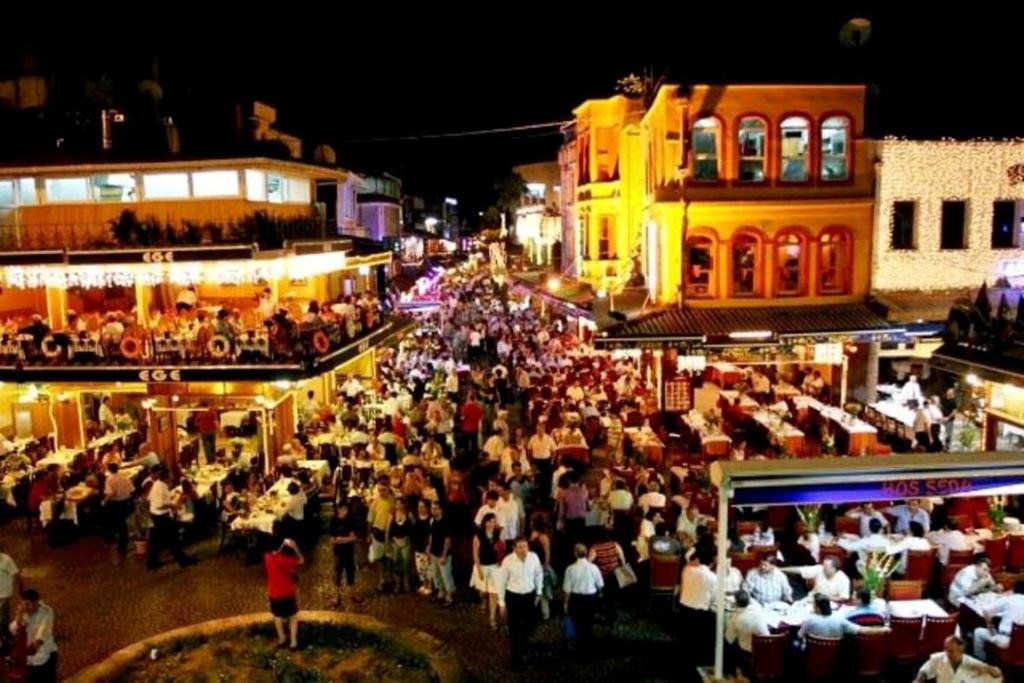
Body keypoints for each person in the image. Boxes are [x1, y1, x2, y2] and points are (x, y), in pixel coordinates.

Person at [495, 536, 544, 671]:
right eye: (520, 547)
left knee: (531, 623)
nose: (524, 550)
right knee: (514, 628)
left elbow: (538, 574)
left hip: (530, 596)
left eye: (526, 546)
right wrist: (501, 602)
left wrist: (539, 592)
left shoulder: (533, 557)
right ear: (514, 548)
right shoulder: (508, 561)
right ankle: (516, 660)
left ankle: (523, 642)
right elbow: (501, 581)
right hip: (514, 597)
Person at [146, 467, 195, 570]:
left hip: (155, 514)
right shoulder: (161, 487)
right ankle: (183, 561)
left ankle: (152, 563)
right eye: (170, 475)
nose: (172, 477)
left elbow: (150, 499)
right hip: (161, 516)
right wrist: (172, 506)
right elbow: (160, 505)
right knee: (173, 539)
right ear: (166, 477)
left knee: (155, 541)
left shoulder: (158, 484)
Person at [563, 543, 603, 655]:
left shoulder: (570, 569)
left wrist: (565, 603)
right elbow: (600, 584)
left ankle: (578, 649)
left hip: (576, 599)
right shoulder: (593, 568)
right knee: (588, 624)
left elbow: (567, 589)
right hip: (590, 598)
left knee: (577, 623)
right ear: (586, 553)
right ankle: (588, 648)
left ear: (575, 554)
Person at [264, 539, 304, 651]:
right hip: (287, 593)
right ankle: (293, 642)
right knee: (293, 616)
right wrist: (295, 547)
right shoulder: (285, 560)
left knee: (277, 616)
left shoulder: (267, 557)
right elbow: (301, 560)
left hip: (274, 593)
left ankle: (282, 639)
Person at [10, 589, 57, 682]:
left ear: (36, 602)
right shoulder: (24, 612)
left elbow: (43, 631)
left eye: (27, 604)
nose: (25, 607)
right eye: (23, 604)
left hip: (44, 657)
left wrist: (36, 644)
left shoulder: (47, 612)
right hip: (29, 659)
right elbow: (15, 629)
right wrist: (18, 615)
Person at [798, 594, 887, 642]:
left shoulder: (809, 620)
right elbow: (863, 630)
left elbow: (799, 635)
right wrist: (884, 629)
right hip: (835, 660)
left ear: (817, 607)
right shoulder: (840, 620)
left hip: (812, 656)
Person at [972, 580, 1024, 660]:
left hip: (1007, 641)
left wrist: (991, 627)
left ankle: (980, 660)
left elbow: (986, 610)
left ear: (1013, 590)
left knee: (978, 632)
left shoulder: (1009, 599)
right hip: (1021, 643)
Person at [916, 635, 1002, 682]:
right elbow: (924, 670)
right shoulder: (939, 658)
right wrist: (919, 680)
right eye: (945, 649)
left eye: (951, 651)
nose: (947, 653)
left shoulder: (972, 663)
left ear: (961, 651)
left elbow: (997, 675)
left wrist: (989, 669)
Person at [724, 590, 769, 678]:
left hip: (748, 651)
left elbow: (729, 639)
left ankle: (730, 670)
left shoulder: (736, 618)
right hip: (767, 648)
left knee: (728, 644)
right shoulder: (758, 609)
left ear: (736, 603)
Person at [472, 512, 503, 629]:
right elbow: (475, 554)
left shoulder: (497, 534)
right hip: (482, 567)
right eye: (489, 521)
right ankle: (483, 601)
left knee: (493, 593)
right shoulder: (478, 536)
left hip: (494, 567)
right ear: (485, 522)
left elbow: (501, 550)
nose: (491, 524)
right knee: (483, 591)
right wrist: (479, 569)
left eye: (494, 522)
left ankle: (492, 618)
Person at [329, 500, 358, 609]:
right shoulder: (334, 521)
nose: (345, 512)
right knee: (337, 575)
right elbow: (332, 540)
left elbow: (354, 537)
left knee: (351, 574)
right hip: (338, 553)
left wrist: (341, 539)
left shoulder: (350, 520)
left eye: (346, 510)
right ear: (339, 509)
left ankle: (352, 594)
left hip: (349, 553)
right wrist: (346, 539)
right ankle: (337, 596)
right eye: (343, 509)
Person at [367, 476, 394, 591]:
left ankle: (388, 577)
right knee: (379, 558)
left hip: (390, 533)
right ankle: (382, 579)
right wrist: (369, 534)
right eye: (380, 490)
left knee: (389, 558)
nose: (382, 492)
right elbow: (370, 519)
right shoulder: (375, 502)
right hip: (378, 532)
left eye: (384, 490)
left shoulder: (393, 501)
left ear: (388, 488)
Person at [783, 556, 851, 601]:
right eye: (823, 565)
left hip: (831, 604)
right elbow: (799, 570)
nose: (823, 568)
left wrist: (826, 598)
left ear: (834, 569)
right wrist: (781, 569)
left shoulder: (844, 579)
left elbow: (844, 597)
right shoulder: (820, 569)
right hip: (812, 599)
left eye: (826, 567)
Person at [102, 462, 134, 555]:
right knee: (123, 523)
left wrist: (104, 501)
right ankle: (123, 544)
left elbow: (110, 493)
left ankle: (120, 545)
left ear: (109, 470)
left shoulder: (109, 479)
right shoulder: (125, 478)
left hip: (115, 504)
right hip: (125, 502)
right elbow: (132, 490)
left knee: (118, 524)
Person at [428, 501, 455, 607]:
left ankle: (449, 596)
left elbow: (447, 540)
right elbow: (431, 536)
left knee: (446, 575)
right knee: (436, 575)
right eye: (432, 508)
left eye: (435, 508)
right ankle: (441, 592)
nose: (433, 510)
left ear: (441, 510)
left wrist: (444, 554)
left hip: (443, 554)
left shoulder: (446, 522)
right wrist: (429, 549)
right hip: (434, 552)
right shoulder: (433, 521)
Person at [387, 498, 414, 593]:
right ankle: (398, 583)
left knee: (405, 563)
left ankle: (406, 582)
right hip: (395, 542)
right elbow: (388, 529)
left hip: (406, 541)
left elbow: (413, 527)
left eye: (400, 504)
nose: (398, 506)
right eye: (396, 504)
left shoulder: (408, 514)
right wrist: (388, 541)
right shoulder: (392, 515)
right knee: (396, 563)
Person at [412, 499, 434, 596]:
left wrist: (429, 546)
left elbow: (431, 534)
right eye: (419, 507)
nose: (420, 509)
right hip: (418, 547)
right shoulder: (416, 519)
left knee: (428, 568)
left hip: (427, 547)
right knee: (421, 568)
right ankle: (424, 584)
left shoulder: (430, 520)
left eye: (423, 507)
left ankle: (430, 586)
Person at [0, 546, 20, 650]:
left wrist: (20, 587)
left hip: (4, 595)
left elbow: (16, 574)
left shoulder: (6, 560)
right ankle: (5, 635)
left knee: (3, 618)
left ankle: (5, 640)